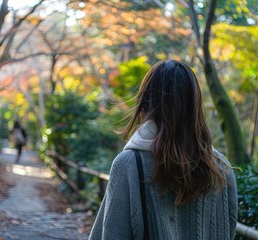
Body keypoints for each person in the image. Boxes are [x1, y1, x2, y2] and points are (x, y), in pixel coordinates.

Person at [89, 60, 238, 239]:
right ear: (196, 105)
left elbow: (113, 234)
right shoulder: (222, 168)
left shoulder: (129, 165)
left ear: (145, 101)